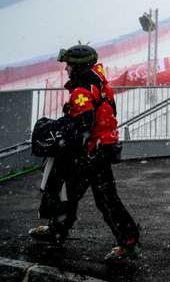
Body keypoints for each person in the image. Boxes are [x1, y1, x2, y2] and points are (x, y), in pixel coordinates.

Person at [29, 44, 142, 261]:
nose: (66, 69)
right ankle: (59, 230)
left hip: (91, 153)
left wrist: (61, 133)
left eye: (69, 65)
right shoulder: (97, 82)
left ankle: (128, 243)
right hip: (100, 149)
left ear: (79, 66)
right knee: (81, 195)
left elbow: (83, 125)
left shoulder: (82, 91)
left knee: (93, 197)